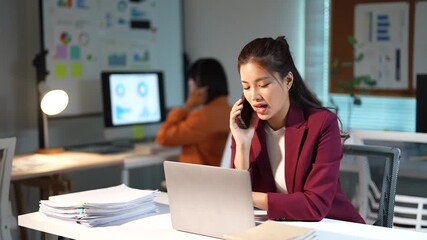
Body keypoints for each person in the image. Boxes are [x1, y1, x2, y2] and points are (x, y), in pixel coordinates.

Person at [229, 36, 365, 223]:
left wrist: (247, 197)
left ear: (288, 80)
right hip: (281, 228)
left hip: (332, 227)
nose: (254, 96)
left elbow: (314, 205)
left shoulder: (322, 124)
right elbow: (237, 204)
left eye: (263, 85)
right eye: (246, 87)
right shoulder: (246, 127)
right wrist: (242, 146)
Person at [156, 58, 231, 166]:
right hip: (219, 178)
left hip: (197, 180)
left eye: (191, 85)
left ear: (200, 87)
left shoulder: (201, 118)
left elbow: (163, 137)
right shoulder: (231, 112)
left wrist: (187, 106)